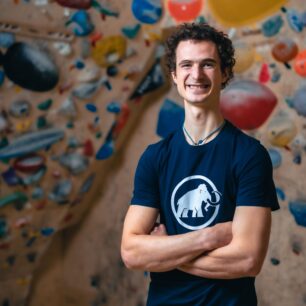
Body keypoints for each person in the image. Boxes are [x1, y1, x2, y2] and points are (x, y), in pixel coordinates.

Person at [121, 22, 279, 306]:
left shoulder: (249, 156)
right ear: (174, 74)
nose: (196, 75)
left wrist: (164, 252)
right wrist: (208, 238)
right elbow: (132, 253)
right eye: (186, 65)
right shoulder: (155, 157)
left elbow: (247, 260)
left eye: (207, 64)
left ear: (225, 73)